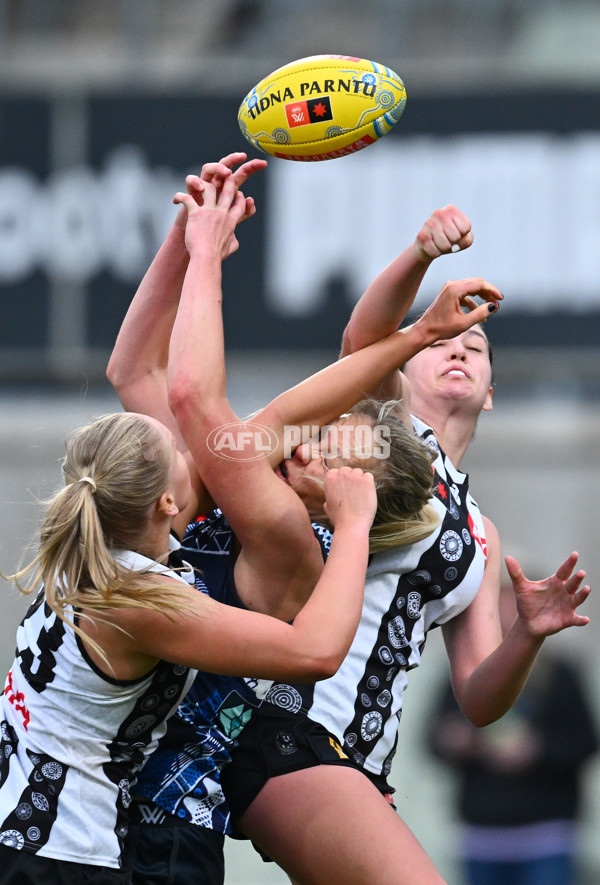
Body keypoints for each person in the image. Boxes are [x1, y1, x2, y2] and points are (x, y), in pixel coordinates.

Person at [106, 154, 505, 885]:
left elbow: (192, 395)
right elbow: (138, 372)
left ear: (353, 493)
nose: (309, 438)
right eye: (322, 428)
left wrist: (203, 257)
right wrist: (185, 240)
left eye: (330, 442)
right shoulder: (245, 487)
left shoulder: (280, 525)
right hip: (122, 798)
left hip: (143, 802)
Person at [213, 202, 590, 885]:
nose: (459, 350)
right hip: (291, 726)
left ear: (491, 392)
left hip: (357, 761)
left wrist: (527, 634)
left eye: (476, 348)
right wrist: (421, 255)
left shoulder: (480, 526)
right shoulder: (382, 431)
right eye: (446, 342)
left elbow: (478, 699)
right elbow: (364, 338)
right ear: (405, 368)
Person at [427, 573, 599, 885]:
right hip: (481, 834)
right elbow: (433, 739)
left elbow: (585, 741)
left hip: (545, 834)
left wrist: (537, 750)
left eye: (514, 599)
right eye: (498, 600)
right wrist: (457, 741)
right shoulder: (464, 671)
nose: (507, 609)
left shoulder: (561, 672)